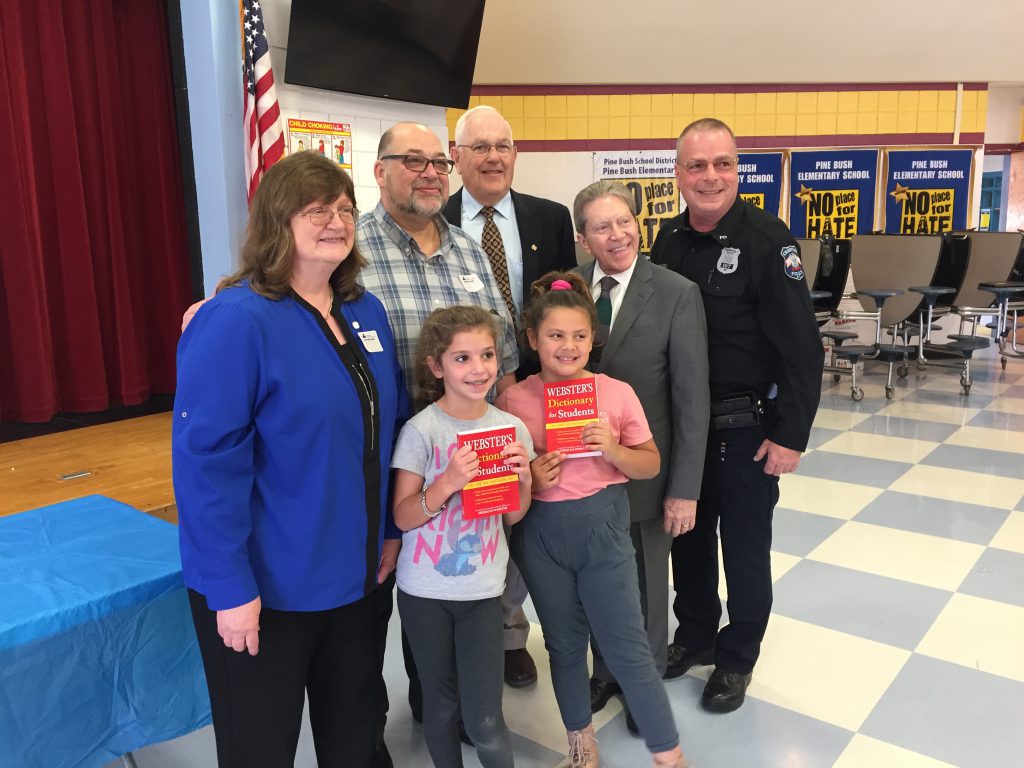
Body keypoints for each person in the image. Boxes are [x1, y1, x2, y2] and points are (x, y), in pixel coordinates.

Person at [172, 151, 406, 767]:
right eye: (317, 209)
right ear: (280, 220)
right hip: (266, 592)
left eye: (346, 209)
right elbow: (207, 466)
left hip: (355, 580)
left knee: (355, 734)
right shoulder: (236, 320)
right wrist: (228, 587)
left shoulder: (365, 311)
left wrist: (386, 532)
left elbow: (385, 434)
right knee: (260, 748)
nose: (337, 221)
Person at [650, 118, 823, 713]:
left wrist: (790, 435)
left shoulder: (768, 241)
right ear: (678, 174)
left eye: (722, 163)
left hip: (748, 429)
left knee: (744, 551)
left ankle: (736, 657)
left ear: (737, 169)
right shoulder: (668, 240)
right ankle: (694, 635)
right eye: (696, 165)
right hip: (684, 432)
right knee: (687, 543)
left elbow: (803, 347)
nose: (710, 176)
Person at [496, 273, 688, 768]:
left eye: (580, 335)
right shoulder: (513, 401)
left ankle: (668, 752)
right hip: (539, 537)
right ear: (533, 339)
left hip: (603, 529)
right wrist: (530, 477)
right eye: (555, 336)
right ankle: (580, 739)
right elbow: (502, 485)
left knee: (628, 647)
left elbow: (650, 463)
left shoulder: (615, 393)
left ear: (593, 338)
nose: (568, 346)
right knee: (563, 645)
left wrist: (615, 449)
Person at [444, 104, 578, 687]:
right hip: (466, 395)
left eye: (503, 146)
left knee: (533, 503)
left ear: (516, 154)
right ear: (458, 158)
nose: (494, 157)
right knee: (475, 511)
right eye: (480, 147)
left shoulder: (549, 219)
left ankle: (518, 629)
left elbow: (569, 303)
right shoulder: (436, 220)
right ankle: (479, 634)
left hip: (535, 392)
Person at [570, 181, 710, 731]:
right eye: (602, 226)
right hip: (583, 476)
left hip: (648, 477)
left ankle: (642, 682)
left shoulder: (676, 293)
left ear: (639, 224)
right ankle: (605, 670)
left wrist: (685, 488)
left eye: (624, 221)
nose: (617, 234)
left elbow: (691, 400)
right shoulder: (568, 286)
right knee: (597, 583)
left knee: (648, 587)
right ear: (584, 237)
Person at [391, 305, 534, 768]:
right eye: (462, 358)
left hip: (483, 591)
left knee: (486, 716)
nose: (479, 369)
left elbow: (513, 515)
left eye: (487, 355)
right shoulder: (422, 431)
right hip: (424, 593)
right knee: (440, 705)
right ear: (436, 366)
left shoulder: (510, 428)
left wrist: (525, 480)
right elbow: (404, 515)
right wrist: (447, 484)